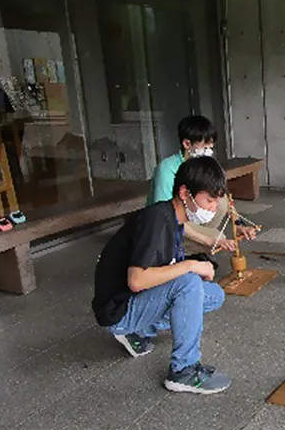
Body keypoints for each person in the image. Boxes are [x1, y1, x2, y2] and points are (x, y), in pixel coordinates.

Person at [92, 157, 232, 394]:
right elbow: (136, 281)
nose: (213, 208)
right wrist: (190, 266)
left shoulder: (174, 218)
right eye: (209, 200)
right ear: (185, 192)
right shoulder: (156, 219)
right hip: (119, 309)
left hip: (138, 300)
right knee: (189, 283)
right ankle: (183, 370)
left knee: (214, 295)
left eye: (216, 201)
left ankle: (141, 331)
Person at [147, 115, 256, 259]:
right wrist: (209, 241)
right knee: (218, 236)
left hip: (190, 216)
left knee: (221, 201)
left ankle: (195, 249)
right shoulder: (167, 170)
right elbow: (165, 217)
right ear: (186, 143)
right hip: (168, 227)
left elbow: (224, 199)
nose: (209, 151)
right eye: (204, 146)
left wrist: (239, 224)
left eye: (211, 147)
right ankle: (180, 252)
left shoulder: (204, 165)